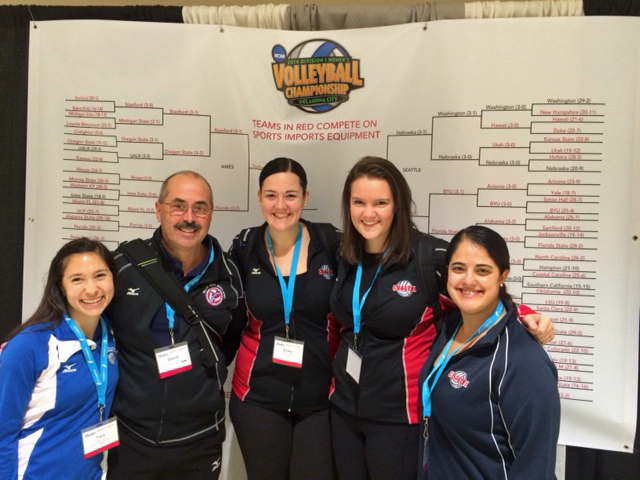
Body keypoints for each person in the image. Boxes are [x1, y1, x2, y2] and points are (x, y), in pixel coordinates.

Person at [329, 156, 554, 480]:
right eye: (359, 202)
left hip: (399, 416)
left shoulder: (426, 255)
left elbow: (476, 287)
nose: (368, 213)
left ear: (398, 205)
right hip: (345, 411)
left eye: (380, 202)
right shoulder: (345, 255)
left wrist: (529, 315)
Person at [106, 171, 243, 480]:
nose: (189, 217)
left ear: (211, 213)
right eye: (178, 206)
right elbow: (87, 322)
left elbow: (230, 340)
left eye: (200, 207)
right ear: (158, 210)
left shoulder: (230, 274)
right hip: (132, 436)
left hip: (201, 437)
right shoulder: (122, 266)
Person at [227, 157, 339, 480]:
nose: (280, 206)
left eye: (290, 195)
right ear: (259, 197)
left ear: (305, 197)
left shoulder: (330, 243)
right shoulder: (245, 248)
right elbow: (229, 321)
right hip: (257, 398)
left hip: (319, 399)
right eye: (271, 195)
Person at [418, 225, 560, 479]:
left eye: (482, 271)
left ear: (502, 275)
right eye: (458, 268)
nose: (468, 280)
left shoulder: (523, 360)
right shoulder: (449, 325)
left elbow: (536, 465)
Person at [0, 238, 118, 479]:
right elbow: (2, 431)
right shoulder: (30, 345)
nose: (92, 289)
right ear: (61, 286)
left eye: (100, 275)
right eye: (77, 279)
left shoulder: (112, 334)